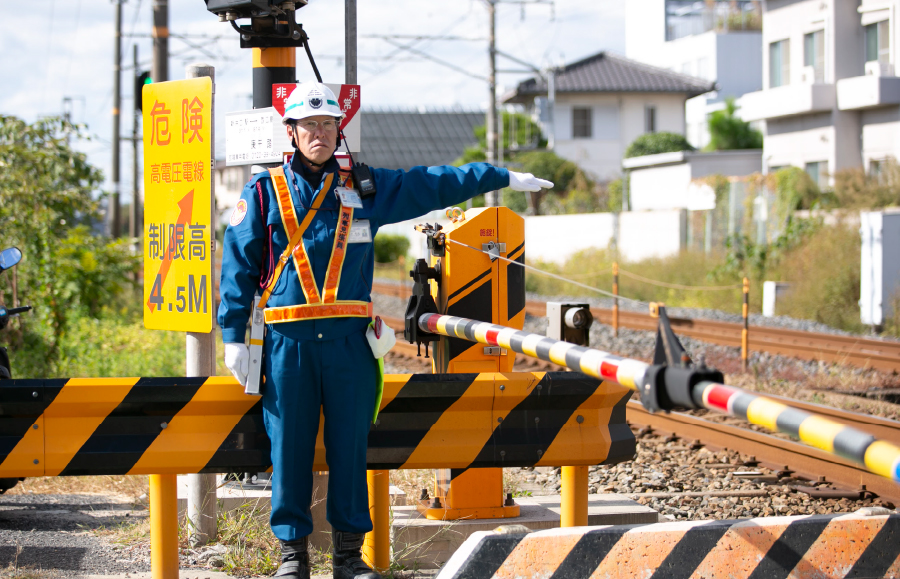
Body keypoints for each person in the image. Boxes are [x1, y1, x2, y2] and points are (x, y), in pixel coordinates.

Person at [217, 82, 552, 579]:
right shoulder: (263, 193)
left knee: (351, 447)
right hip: (288, 344)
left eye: (329, 125)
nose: (320, 134)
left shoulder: (365, 188)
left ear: (338, 131)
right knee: (287, 448)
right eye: (309, 125)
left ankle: (349, 558)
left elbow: (432, 182)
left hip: (350, 343)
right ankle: (293, 559)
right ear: (291, 131)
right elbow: (238, 262)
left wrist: (497, 175)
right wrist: (232, 335)